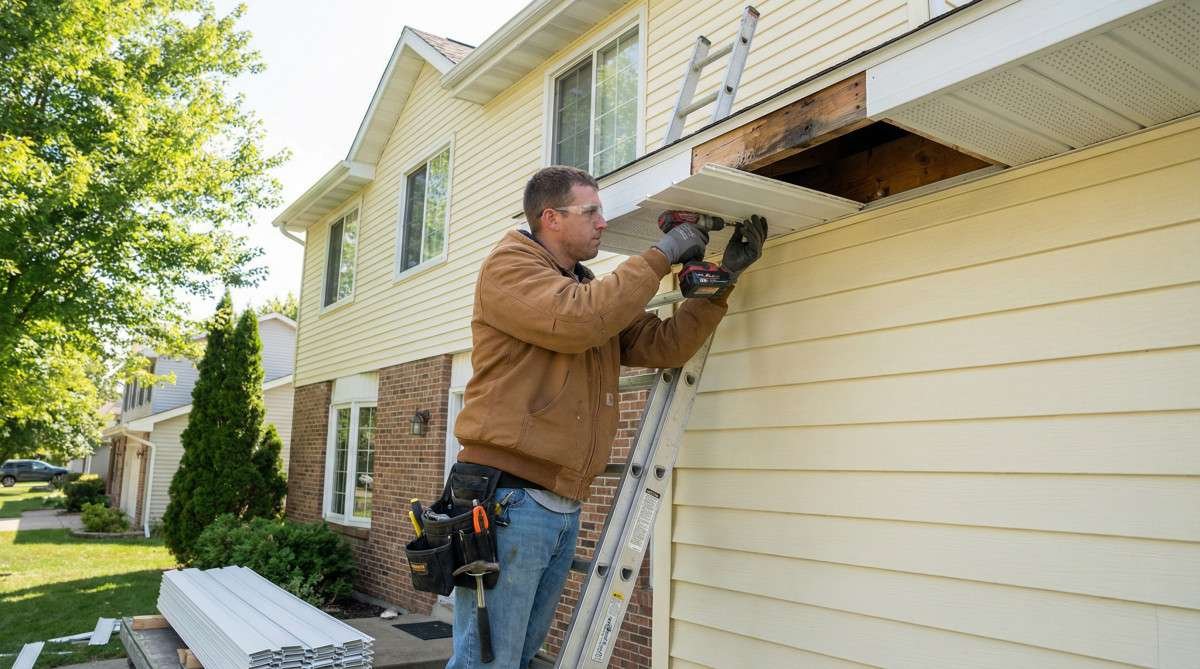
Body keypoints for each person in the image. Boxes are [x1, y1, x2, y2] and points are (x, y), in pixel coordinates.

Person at [447, 165, 766, 667]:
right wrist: (663, 252)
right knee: (488, 660)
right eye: (591, 211)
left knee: (521, 656)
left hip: (556, 502)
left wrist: (722, 282)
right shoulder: (510, 267)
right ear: (550, 218)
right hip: (506, 498)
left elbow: (662, 344)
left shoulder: (583, 286)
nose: (603, 223)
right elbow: (578, 319)